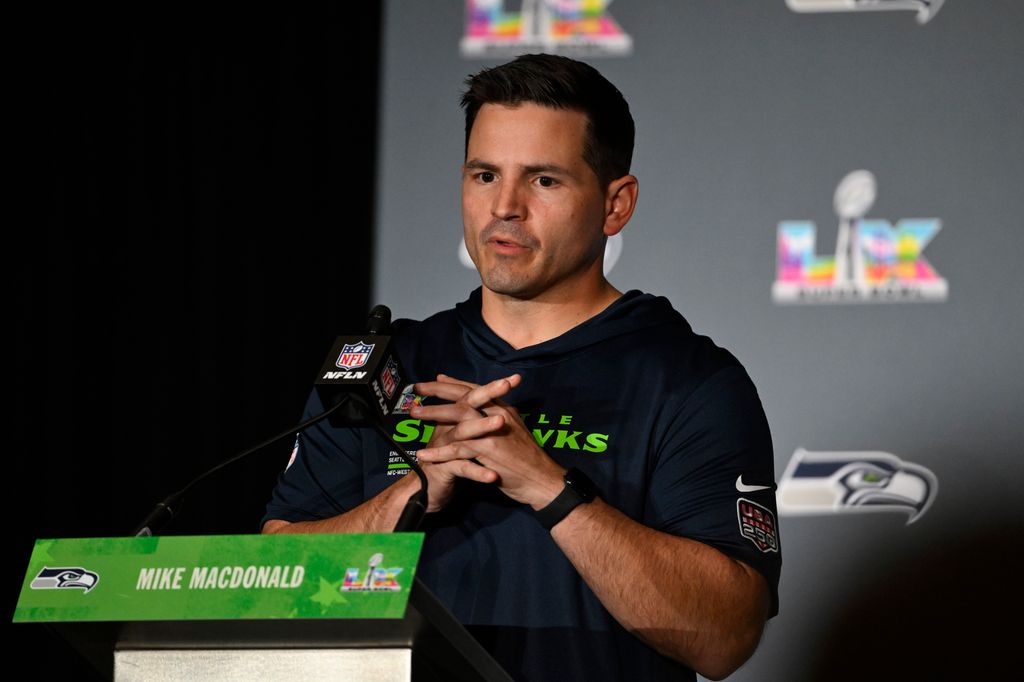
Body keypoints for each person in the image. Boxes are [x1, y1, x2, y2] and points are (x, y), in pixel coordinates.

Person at [263, 54, 781, 682]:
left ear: (616, 205)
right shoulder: (386, 365)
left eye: (543, 181)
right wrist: (414, 492)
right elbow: (270, 584)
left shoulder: (690, 382)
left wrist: (545, 484)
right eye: (485, 174)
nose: (504, 206)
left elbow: (724, 638)